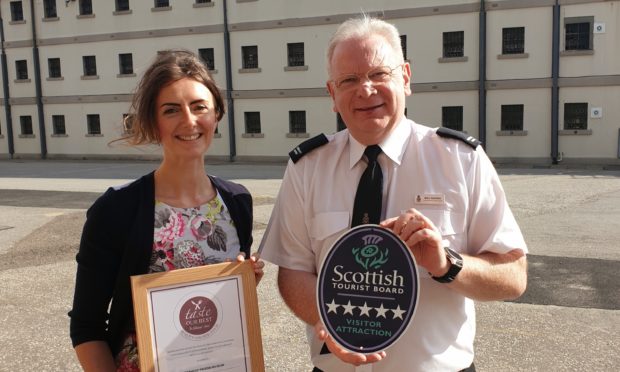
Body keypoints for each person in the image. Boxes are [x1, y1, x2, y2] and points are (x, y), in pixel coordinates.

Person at [259, 15, 527, 372]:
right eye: (349, 80)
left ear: (406, 77)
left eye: (378, 74)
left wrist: (448, 264)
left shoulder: (459, 160)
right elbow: (293, 273)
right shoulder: (307, 168)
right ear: (332, 94)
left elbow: (513, 275)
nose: (365, 90)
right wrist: (330, 323)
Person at [68, 50, 264, 371]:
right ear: (153, 122)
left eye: (199, 106)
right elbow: (86, 325)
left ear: (216, 114)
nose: (189, 121)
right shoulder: (116, 209)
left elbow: (213, 309)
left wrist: (239, 283)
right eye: (171, 110)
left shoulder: (237, 201)